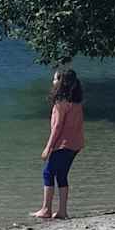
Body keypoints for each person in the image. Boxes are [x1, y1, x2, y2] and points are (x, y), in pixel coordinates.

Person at [33, 67, 85, 220]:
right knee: (62, 175)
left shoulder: (60, 102)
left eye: (55, 79)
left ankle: (46, 209)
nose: (53, 81)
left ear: (62, 83)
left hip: (63, 144)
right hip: (76, 144)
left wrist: (48, 147)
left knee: (48, 173)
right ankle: (62, 211)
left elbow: (57, 127)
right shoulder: (76, 102)